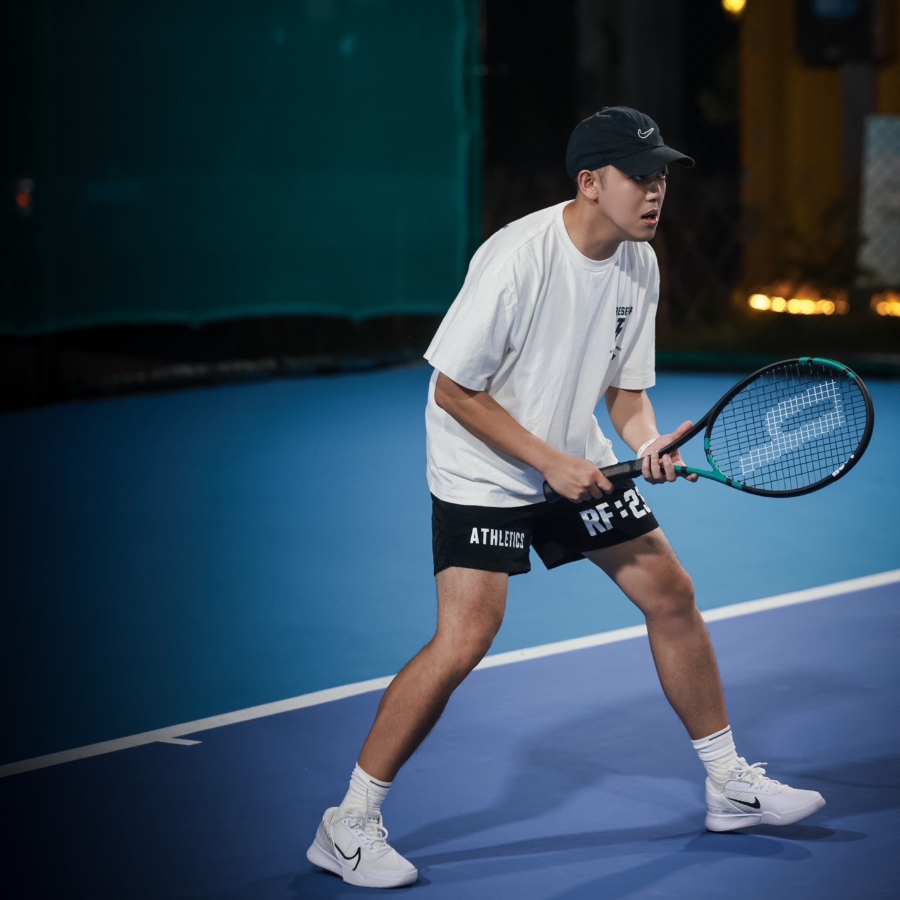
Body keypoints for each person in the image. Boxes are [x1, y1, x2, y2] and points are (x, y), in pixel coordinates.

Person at [306, 106, 825, 889]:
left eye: (661, 177)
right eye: (639, 177)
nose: (655, 192)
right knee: (466, 637)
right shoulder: (516, 260)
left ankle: (730, 786)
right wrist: (549, 463)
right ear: (589, 182)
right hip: (482, 469)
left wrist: (646, 443)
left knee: (671, 594)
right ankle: (347, 823)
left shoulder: (639, 264)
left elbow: (625, 392)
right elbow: (453, 390)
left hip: (570, 454)